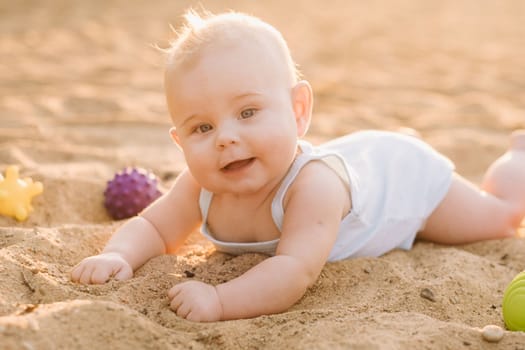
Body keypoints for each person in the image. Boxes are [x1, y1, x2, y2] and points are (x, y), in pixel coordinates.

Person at [71, 10, 525, 322]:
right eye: (201, 128)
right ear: (179, 141)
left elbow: (293, 271)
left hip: (405, 186)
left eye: (248, 113)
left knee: (500, 218)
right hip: (361, 160)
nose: (226, 137)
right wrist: (118, 254)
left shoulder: (311, 189)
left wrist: (219, 299)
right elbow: (154, 227)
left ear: (298, 110)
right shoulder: (200, 183)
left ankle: (517, 158)